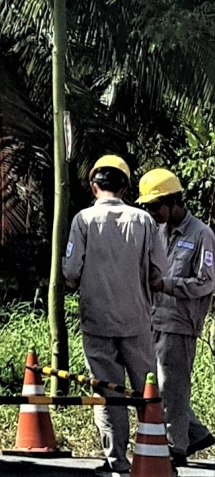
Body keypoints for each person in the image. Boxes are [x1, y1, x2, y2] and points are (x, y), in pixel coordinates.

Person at [63, 155, 167, 475]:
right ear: (124, 186)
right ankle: (156, 453)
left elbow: (70, 270)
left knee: (108, 392)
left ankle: (117, 461)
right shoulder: (144, 221)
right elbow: (158, 271)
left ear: (94, 185)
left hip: (97, 320)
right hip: (136, 318)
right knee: (146, 389)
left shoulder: (82, 220)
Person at [138, 167, 215, 464]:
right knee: (158, 387)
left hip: (181, 323)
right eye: (148, 208)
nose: (153, 213)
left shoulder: (201, 235)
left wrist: (167, 285)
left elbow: (206, 282)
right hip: (155, 319)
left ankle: (177, 447)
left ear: (173, 202)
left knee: (173, 388)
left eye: (156, 207)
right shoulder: (159, 230)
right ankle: (195, 434)